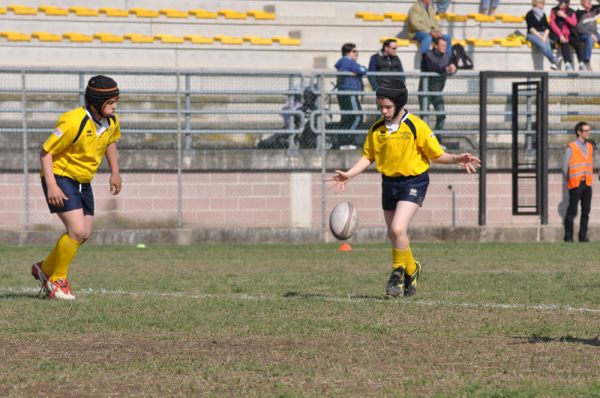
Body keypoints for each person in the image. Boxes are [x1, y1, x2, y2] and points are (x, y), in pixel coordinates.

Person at [326, 79, 480, 297]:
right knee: (394, 234)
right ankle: (412, 268)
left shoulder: (416, 126)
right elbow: (367, 157)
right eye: (380, 107)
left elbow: (436, 155)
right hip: (389, 183)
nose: (384, 111)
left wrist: (456, 158)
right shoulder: (376, 129)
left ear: (399, 104)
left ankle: (396, 274)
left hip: (414, 181)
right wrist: (348, 175)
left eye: (388, 107)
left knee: (398, 228)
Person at [30, 75, 122, 300]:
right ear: (96, 102)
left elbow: (110, 141)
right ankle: (57, 281)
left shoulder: (111, 121)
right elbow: (46, 152)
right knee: (77, 230)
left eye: (117, 101)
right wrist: (51, 185)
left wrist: (115, 172)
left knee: (84, 234)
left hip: (83, 181)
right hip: (60, 177)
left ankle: (44, 268)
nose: (115, 106)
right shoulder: (73, 121)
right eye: (111, 102)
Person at [563, 122, 597, 242]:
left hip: (587, 183)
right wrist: (571, 180)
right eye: (586, 130)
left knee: (586, 211)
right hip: (576, 183)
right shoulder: (571, 147)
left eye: (589, 130)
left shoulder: (590, 146)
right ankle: (568, 238)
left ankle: (583, 237)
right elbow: (565, 168)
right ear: (579, 132)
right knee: (572, 211)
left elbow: (591, 163)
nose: (588, 133)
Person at [419, 37, 456, 144]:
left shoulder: (447, 56)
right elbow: (432, 67)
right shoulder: (427, 54)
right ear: (435, 45)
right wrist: (446, 69)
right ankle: (423, 141)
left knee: (441, 115)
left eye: (445, 46)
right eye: (442, 45)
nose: (445, 48)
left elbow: (451, 64)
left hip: (437, 91)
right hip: (425, 91)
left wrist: (453, 67)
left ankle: (437, 140)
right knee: (424, 118)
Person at [333, 43, 368, 149]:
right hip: (349, 92)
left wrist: (356, 71)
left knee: (347, 117)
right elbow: (363, 70)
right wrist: (356, 71)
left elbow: (363, 70)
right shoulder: (347, 61)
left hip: (346, 92)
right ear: (347, 52)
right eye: (354, 51)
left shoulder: (347, 62)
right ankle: (347, 140)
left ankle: (342, 142)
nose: (356, 53)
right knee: (357, 117)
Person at [550, 0, 586, 71]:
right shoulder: (554, 10)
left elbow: (574, 23)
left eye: (561, 2)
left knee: (578, 43)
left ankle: (581, 63)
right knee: (564, 42)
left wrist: (564, 16)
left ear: (566, 4)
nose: (559, 3)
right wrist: (560, 35)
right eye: (559, 2)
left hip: (570, 33)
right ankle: (567, 63)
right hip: (559, 34)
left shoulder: (571, 11)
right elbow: (552, 24)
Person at [526, 0, 561, 70]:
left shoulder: (543, 14)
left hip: (543, 34)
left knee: (547, 46)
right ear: (536, 3)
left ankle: (553, 63)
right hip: (532, 34)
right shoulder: (529, 14)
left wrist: (544, 36)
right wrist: (540, 37)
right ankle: (554, 60)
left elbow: (547, 27)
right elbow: (531, 28)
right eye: (542, 3)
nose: (543, 5)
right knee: (543, 45)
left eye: (544, 3)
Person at [575, 0, 600, 71]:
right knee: (590, 39)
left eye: (590, 1)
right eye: (588, 2)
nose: (590, 2)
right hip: (584, 34)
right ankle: (587, 61)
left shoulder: (594, 10)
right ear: (583, 3)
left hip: (595, 33)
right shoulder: (579, 13)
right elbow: (579, 27)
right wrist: (590, 34)